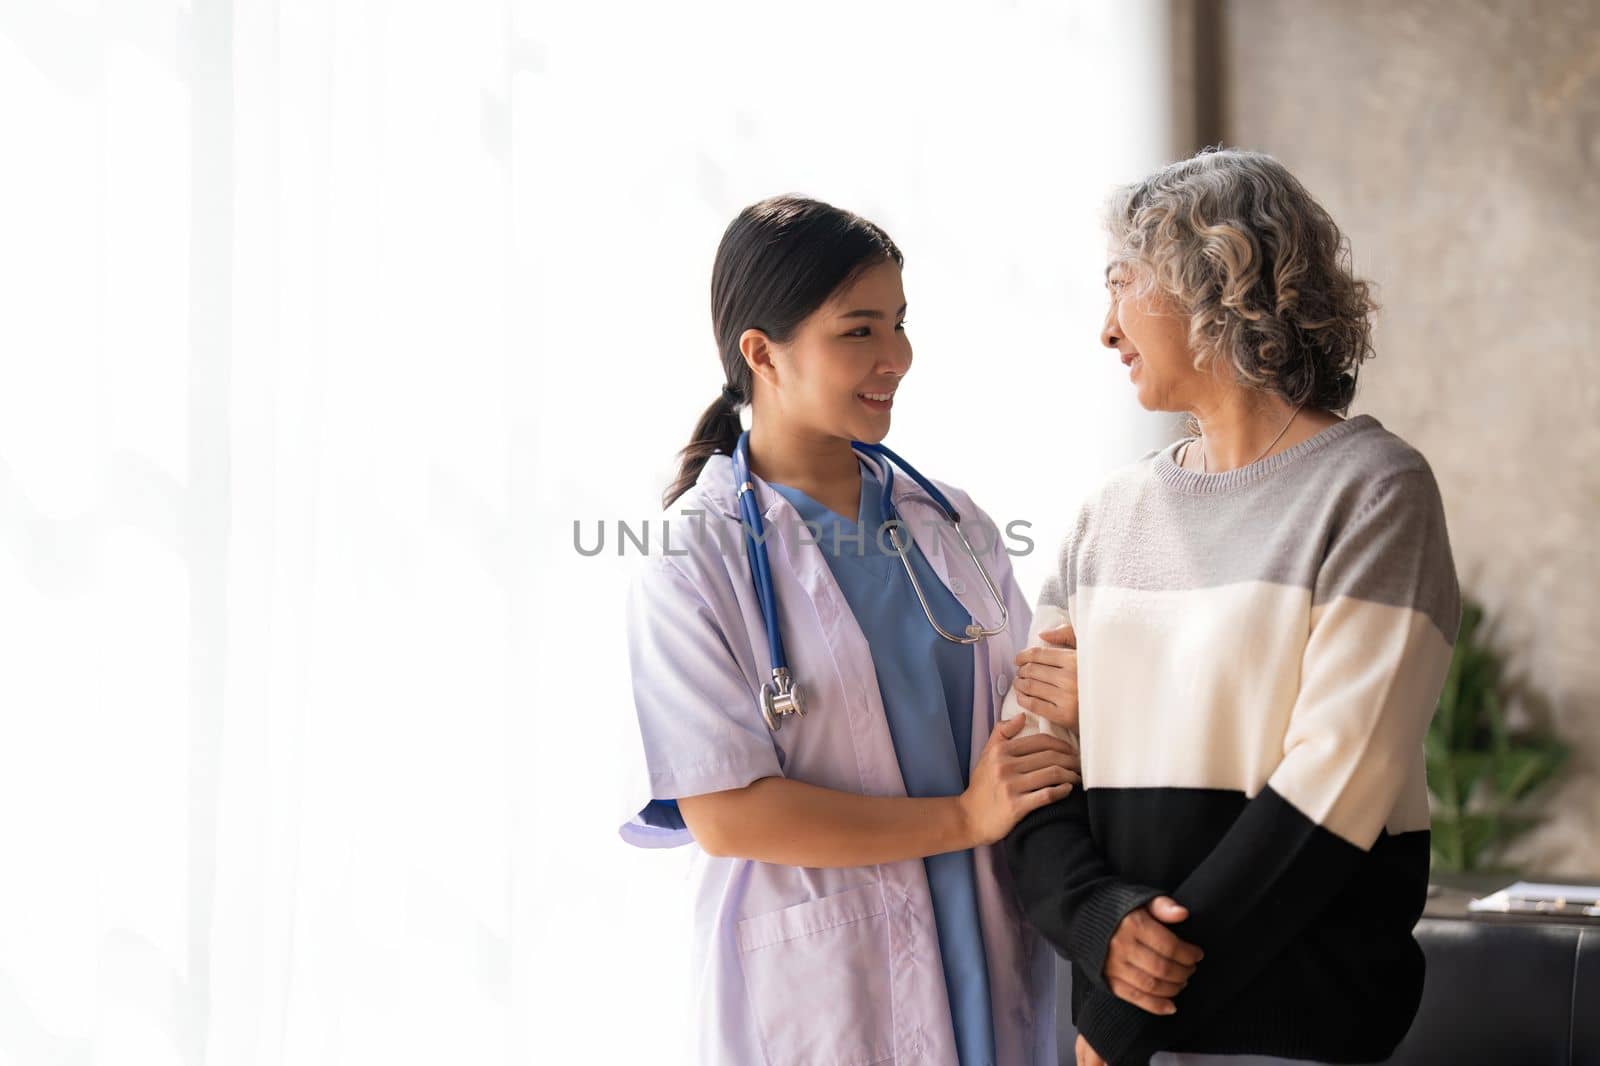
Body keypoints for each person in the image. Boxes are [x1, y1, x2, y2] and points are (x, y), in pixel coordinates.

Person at [1003, 149, 1461, 1066]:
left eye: (1121, 285)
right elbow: (1030, 767)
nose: (1105, 329)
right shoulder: (1108, 516)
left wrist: (1124, 1017)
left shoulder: (1373, 492)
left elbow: (1337, 783)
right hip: (1116, 1033)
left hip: (1297, 1036)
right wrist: (1098, 922)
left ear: (1214, 277)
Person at [619, 194, 1080, 1065]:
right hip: (829, 974)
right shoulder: (697, 559)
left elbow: (1029, 711)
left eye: (900, 324)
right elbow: (727, 815)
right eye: (858, 330)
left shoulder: (954, 523)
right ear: (762, 352)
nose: (897, 357)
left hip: (981, 930)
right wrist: (964, 817)